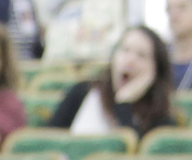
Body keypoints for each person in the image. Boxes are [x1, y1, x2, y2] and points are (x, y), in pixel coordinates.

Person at [47, 24, 175, 136]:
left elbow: (131, 151)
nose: (130, 60)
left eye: (141, 55)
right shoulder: (82, 92)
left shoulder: (161, 118)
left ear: (156, 69)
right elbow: (47, 140)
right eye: (125, 50)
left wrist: (124, 103)